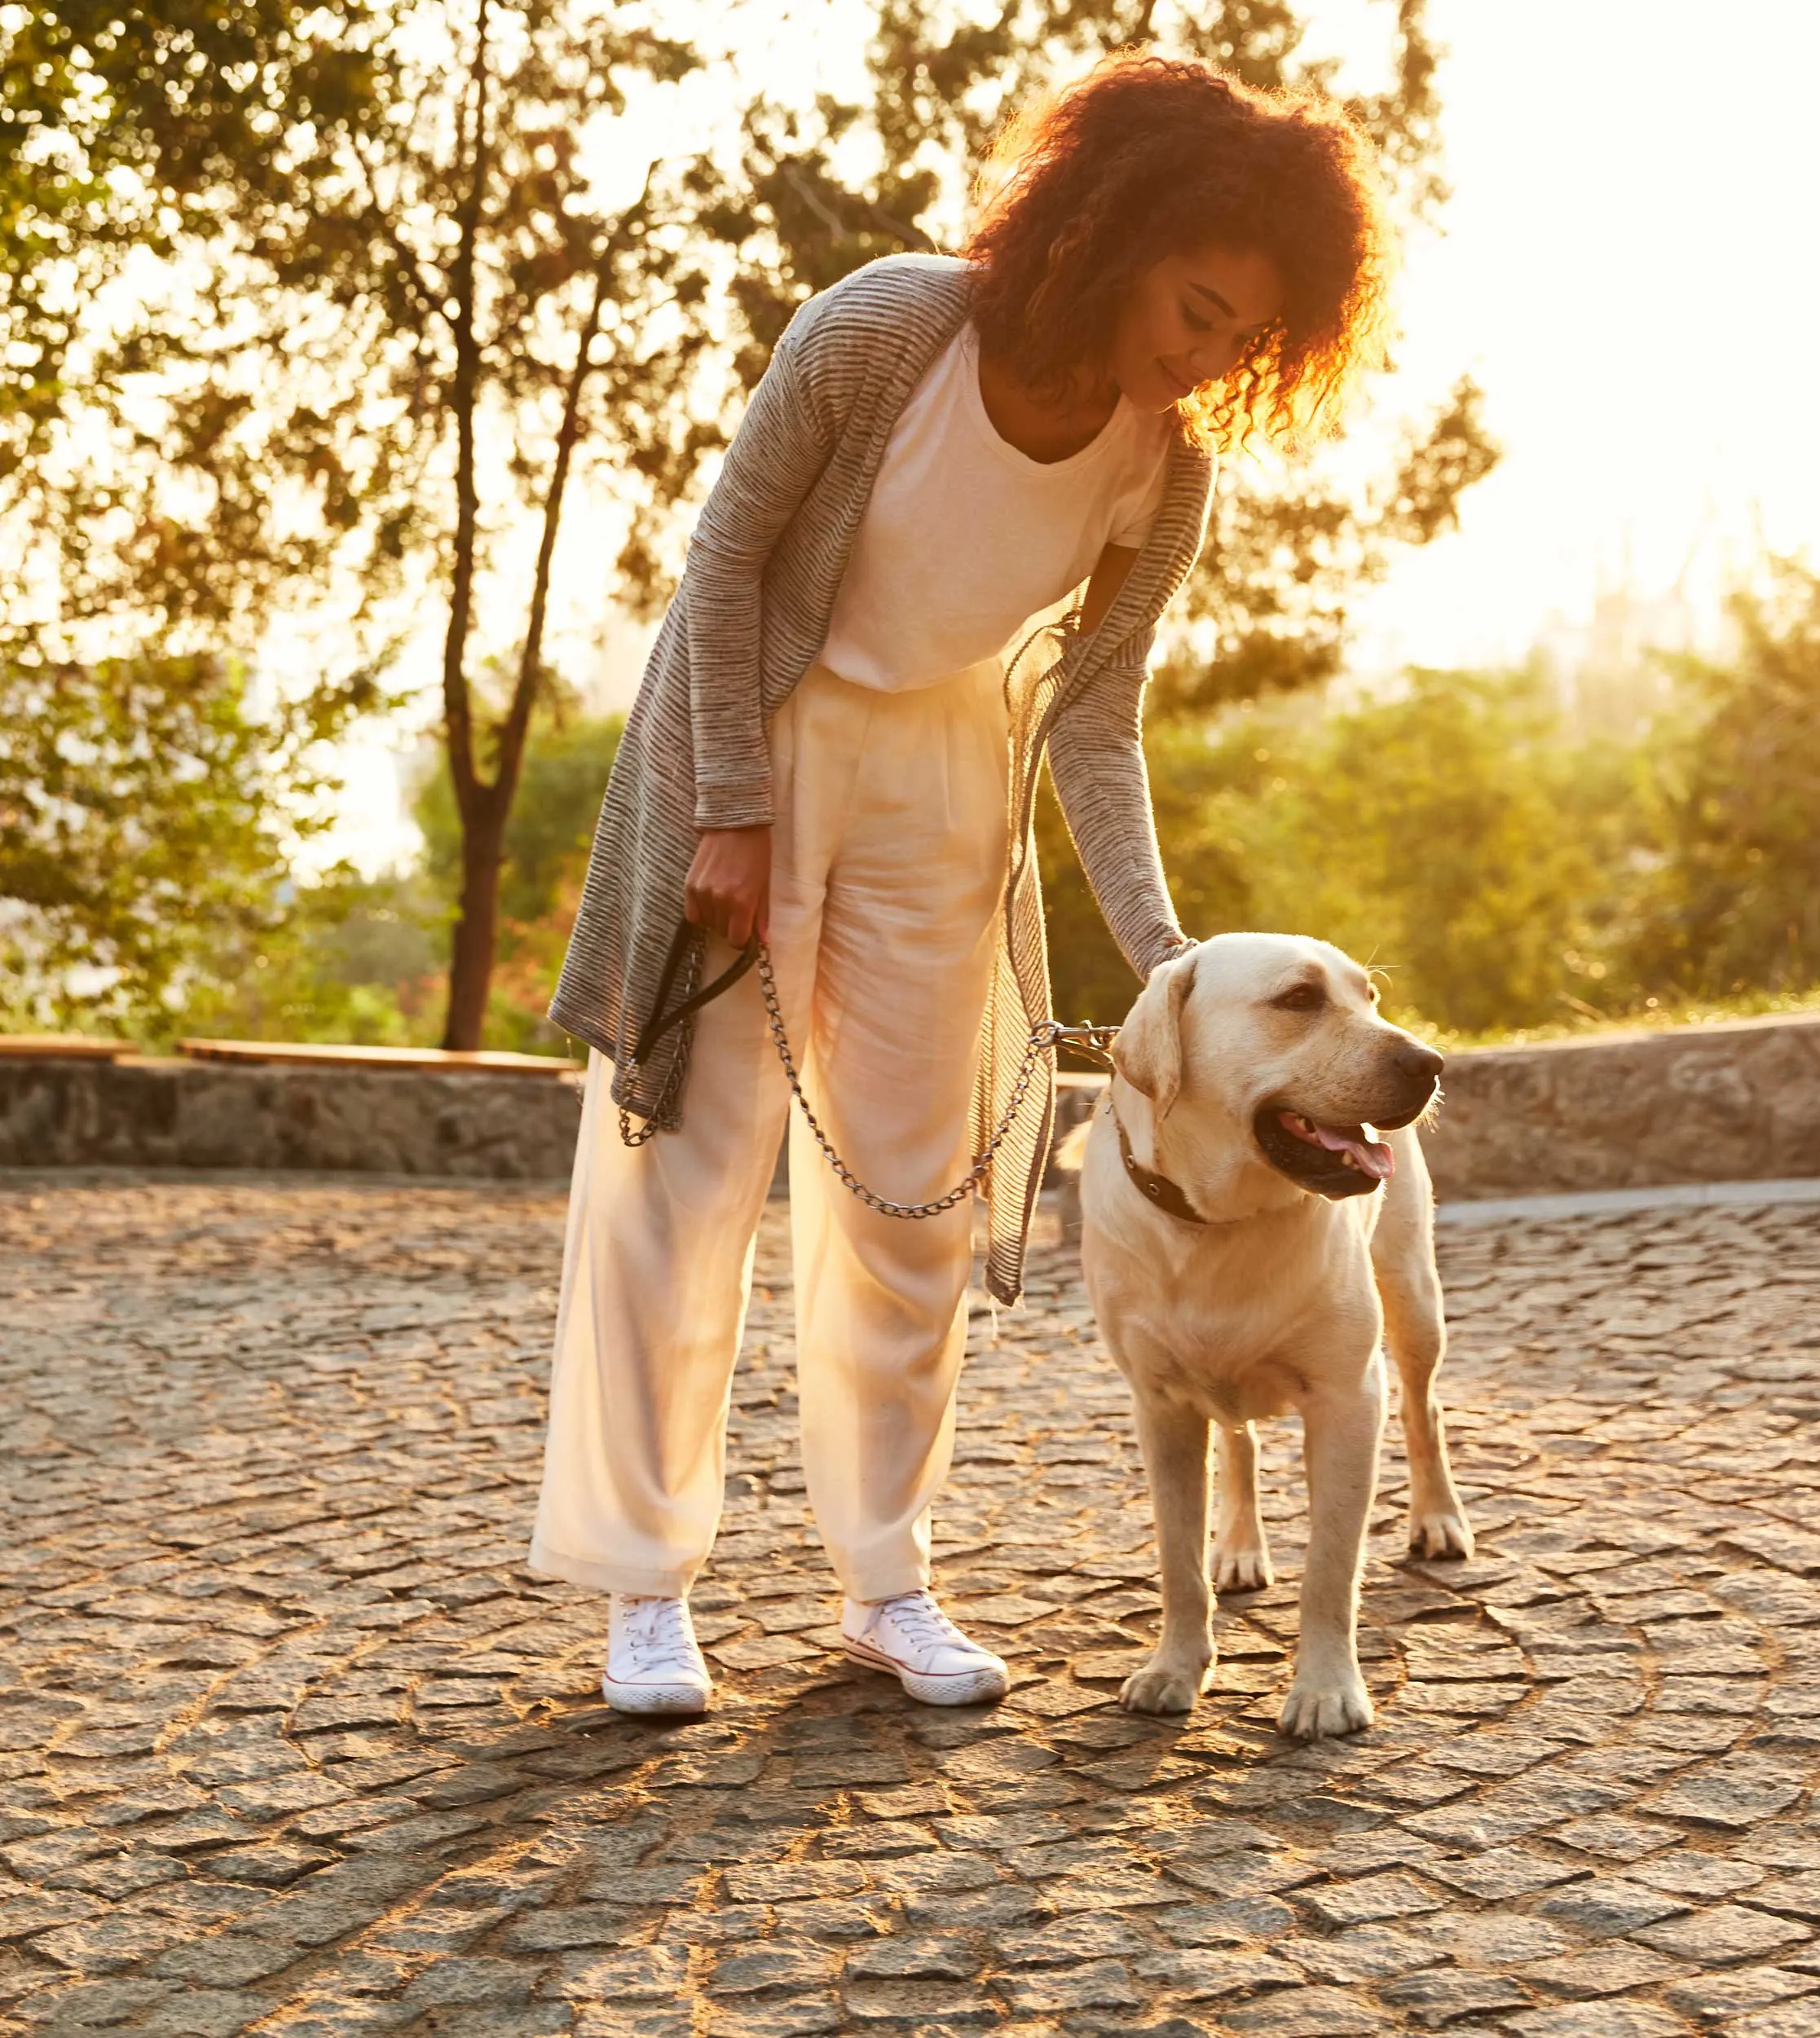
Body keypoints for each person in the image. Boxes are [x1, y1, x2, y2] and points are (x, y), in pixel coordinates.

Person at [530, 51, 1391, 1715]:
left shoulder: (1164, 469)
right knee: (686, 1168)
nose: (1202, 355)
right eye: (1194, 306)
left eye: (1238, 339)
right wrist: (725, 806)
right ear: (1113, 229)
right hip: (760, 732)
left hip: (945, 789)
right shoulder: (883, 327)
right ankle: (648, 1585)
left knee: (910, 1192)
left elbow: (1094, 723)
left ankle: (886, 1577)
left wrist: (1170, 968)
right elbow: (722, 560)